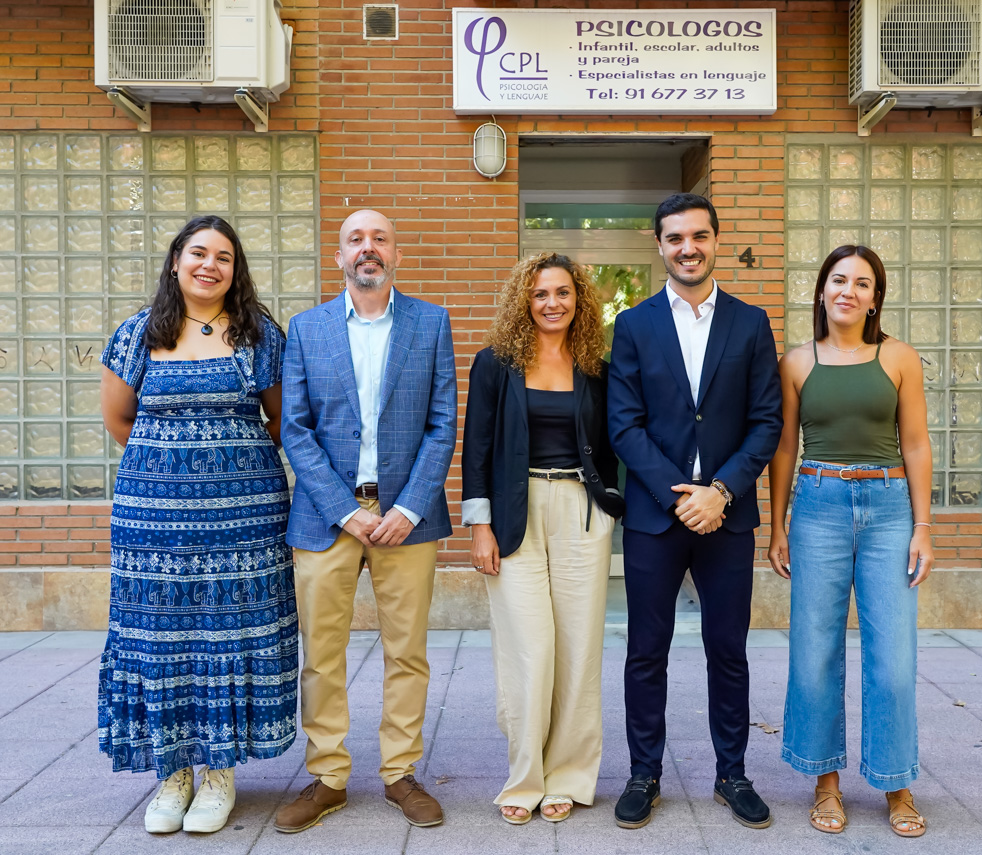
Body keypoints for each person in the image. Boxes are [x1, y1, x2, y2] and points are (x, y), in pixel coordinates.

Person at [98, 215, 297, 835]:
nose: (210, 265)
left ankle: (219, 774)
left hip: (243, 526)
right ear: (177, 260)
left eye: (224, 257)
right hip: (153, 527)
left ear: (236, 271)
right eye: (198, 253)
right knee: (163, 641)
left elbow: (280, 421)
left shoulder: (259, 334)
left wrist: (225, 465)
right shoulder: (137, 333)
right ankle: (173, 773)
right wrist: (172, 469)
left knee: (231, 635)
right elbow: (120, 421)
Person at [275, 209, 457, 833]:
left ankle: (400, 772)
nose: (368, 249)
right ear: (340, 256)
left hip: (409, 513)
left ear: (396, 253)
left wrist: (407, 508)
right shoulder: (306, 329)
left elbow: (442, 424)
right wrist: (347, 511)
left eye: (380, 239)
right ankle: (328, 776)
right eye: (356, 239)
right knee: (321, 653)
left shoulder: (431, 323)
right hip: (328, 517)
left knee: (407, 650)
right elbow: (295, 431)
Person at [607, 193, 783, 830]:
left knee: (727, 650)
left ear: (715, 240)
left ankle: (732, 774)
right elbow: (623, 427)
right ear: (660, 245)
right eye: (675, 238)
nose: (688, 248)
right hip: (658, 518)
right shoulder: (632, 326)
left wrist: (722, 492)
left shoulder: (751, 322)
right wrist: (681, 496)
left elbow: (767, 422)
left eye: (699, 236)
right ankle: (643, 774)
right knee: (646, 651)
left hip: (728, 516)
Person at [766, 245, 934, 838]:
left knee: (893, 659)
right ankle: (824, 781)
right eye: (839, 279)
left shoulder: (900, 358)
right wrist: (778, 524)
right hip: (819, 505)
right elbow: (785, 447)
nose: (849, 291)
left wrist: (922, 526)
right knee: (815, 652)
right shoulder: (797, 362)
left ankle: (896, 782)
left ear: (874, 298)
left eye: (863, 283)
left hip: (889, 510)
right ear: (821, 290)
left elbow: (914, 444)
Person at [461, 252, 625, 825]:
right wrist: (479, 524)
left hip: (581, 513)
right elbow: (476, 448)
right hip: (513, 512)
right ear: (523, 302)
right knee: (529, 648)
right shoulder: (494, 364)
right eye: (539, 294)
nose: (551, 303)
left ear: (579, 300)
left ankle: (571, 776)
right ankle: (525, 778)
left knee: (580, 648)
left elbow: (618, 443)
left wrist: (612, 502)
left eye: (562, 293)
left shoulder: (598, 369)